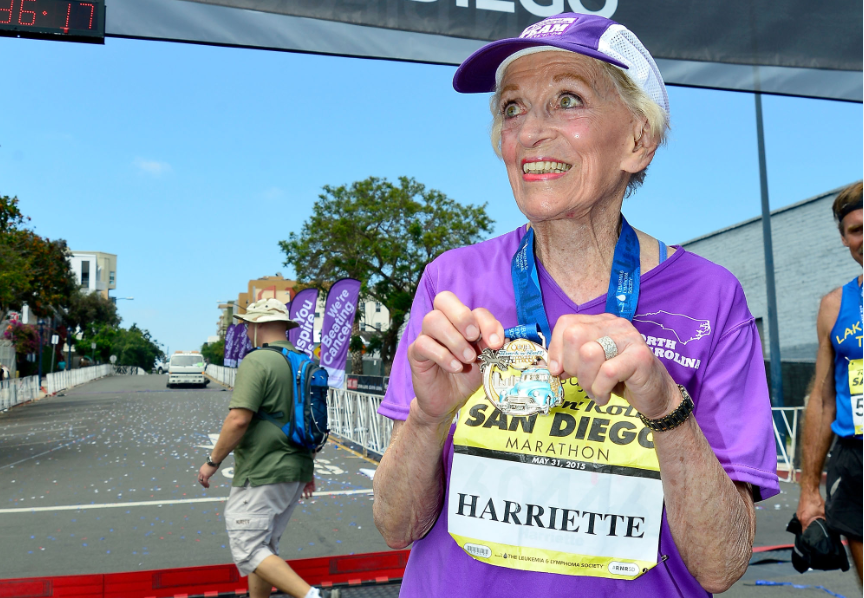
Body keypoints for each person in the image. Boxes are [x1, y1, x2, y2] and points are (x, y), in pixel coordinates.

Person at [373, 13, 779, 597]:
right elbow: (396, 526)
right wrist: (428, 419)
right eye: (513, 108)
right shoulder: (450, 281)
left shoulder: (711, 298)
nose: (531, 132)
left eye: (568, 99)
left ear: (639, 139)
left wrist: (664, 402)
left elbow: (721, 565)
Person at [197, 298, 339, 598]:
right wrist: (307, 469)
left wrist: (212, 461)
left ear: (257, 325)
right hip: (296, 468)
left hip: (263, 470)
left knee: (248, 549)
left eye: (248, 325)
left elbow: (238, 419)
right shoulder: (304, 362)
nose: (247, 331)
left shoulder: (258, 360)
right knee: (264, 549)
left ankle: (313, 597)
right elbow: (309, 419)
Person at [796, 181, 863, 581]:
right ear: (844, 239)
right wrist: (808, 492)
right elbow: (821, 399)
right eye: (856, 230)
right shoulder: (835, 305)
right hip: (855, 459)